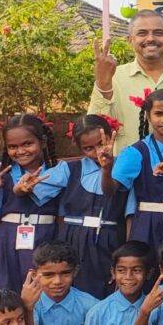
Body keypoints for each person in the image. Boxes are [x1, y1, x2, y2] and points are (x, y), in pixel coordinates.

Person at [105, 89, 163, 276]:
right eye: (159, 114)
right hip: (146, 223)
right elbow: (111, 190)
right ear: (147, 115)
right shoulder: (135, 152)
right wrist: (106, 169)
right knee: (146, 273)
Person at [89, 10, 163, 152]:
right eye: (142, 33)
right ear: (130, 40)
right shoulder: (112, 77)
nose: (150, 38)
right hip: (128, 165)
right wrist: (103, 84)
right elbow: (93, 127)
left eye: (158, 33)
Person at [0, 114, 64, 292]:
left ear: (43, 142)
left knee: (41, 295)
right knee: (4, 298)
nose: (21, 151)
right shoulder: (1, 176)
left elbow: (62, 219)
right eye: (13, 146)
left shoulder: (59, 174)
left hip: (45, 243)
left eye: (27, 144)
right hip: (4, 245)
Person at [48, 114, 125, 298]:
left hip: (108, 240)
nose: (97, 152)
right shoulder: (69, 169)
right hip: (72, 240)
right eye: (89, 148)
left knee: (105, 291)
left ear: (111, 136)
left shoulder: (123, 167)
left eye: (101, 144)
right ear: (79, 147)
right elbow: (37, 187)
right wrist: (23, 186)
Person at [22, 241, 100, 325]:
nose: (57, 281)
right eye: (48, 275)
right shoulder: (27, 302)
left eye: (65, 273)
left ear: (75, 271)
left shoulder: (90, 305)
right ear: (34, 275)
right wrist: (27, 308)